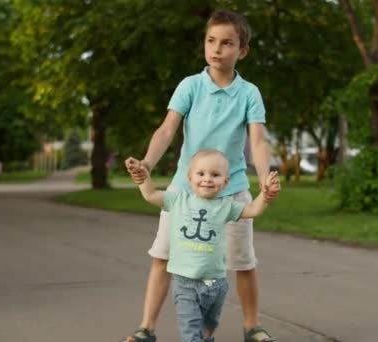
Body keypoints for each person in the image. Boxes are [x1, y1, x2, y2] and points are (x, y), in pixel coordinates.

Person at [123, 9, 280, 342]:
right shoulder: (190, 86)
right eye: (211, 41)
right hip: (184, 190)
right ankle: (146, 328)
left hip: (231, 191)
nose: (217, 49)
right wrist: (148, 164)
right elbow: (167, 129)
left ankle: (253, 327)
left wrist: (265, 176)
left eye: (227, 43)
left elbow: (257, 140)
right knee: (163, 256)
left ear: (243, 50)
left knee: (243, 262)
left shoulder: (249, 93)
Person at [130, 150, 280, 342]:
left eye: (215, 175)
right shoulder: (178, 200)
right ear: (190, 177)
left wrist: (265, 196)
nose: (207, 179)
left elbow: (253, 210)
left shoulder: (226, 206)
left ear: (225, 182)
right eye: (201, 174)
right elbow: (150, 194)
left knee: (209, 325)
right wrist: (142, 177)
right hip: (185, 284)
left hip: (216, 284)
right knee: (191, 331)